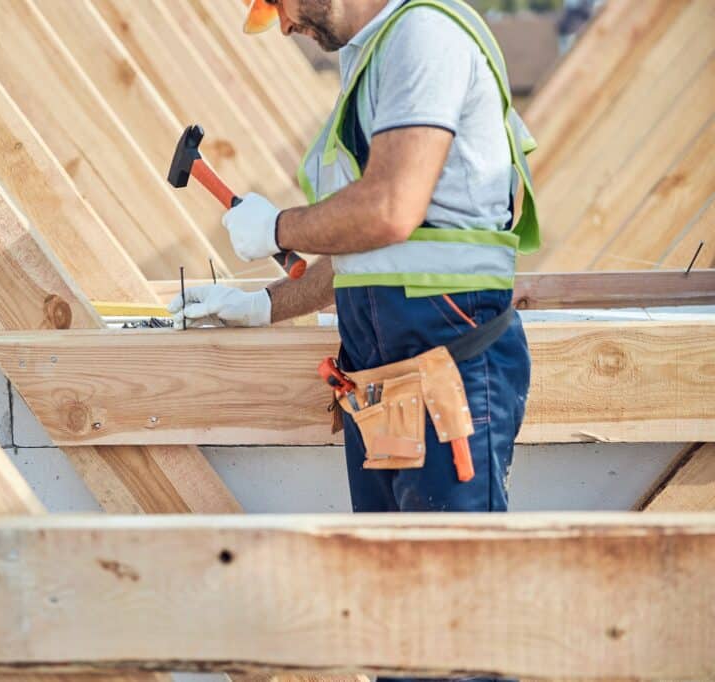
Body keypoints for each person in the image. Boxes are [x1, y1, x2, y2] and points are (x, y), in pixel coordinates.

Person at [170, 0, 539, 605]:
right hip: (386, 380)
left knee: (450, 623)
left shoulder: (423, 35)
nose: (284, 25)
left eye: (277, 5)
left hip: (450, 372)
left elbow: (391, 209)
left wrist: (280, 229)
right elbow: (367, 253)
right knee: (393, 613)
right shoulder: (372, 55)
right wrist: (265, 304)